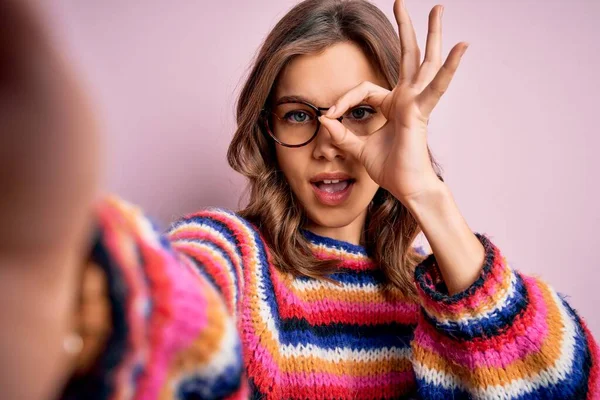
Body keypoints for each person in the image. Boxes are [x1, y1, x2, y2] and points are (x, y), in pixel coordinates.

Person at [0, 0, 598, 399]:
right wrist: (48, 248)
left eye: (360, 113)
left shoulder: (446, 296)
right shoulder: (235, 256)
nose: (329, 145)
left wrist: (425, 194)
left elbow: (568, 385)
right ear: (268, 132)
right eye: (299, 116)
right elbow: (164, 318)